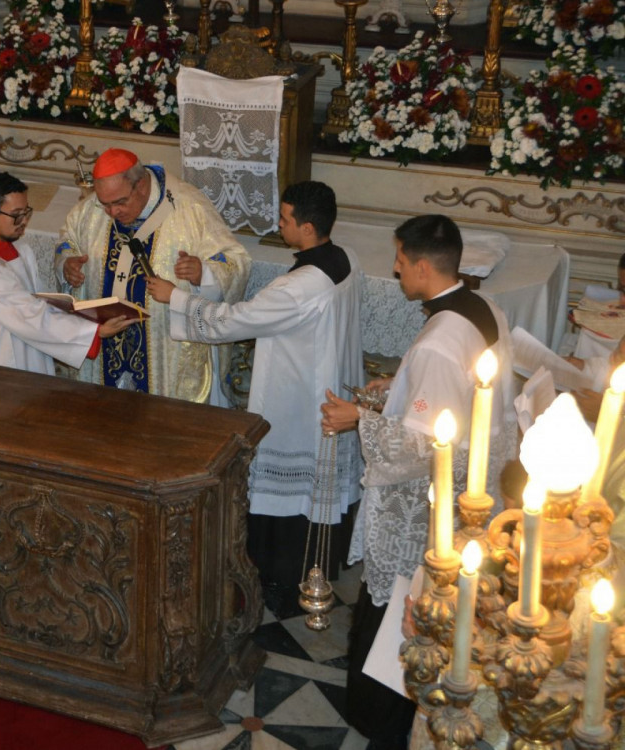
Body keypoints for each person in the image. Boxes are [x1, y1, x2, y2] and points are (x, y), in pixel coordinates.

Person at [320, 214, 516, 750]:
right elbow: (454, 396)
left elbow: (418, 448)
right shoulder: (484, 309)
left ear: (425, 267)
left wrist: (358, 419)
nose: (396, 269)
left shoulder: (436, 341)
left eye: (402, 262)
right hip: (478, 487)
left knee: (402, 605)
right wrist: (398, 388)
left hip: (429, 504)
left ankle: (382, 715)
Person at [146, 181, 363, 615]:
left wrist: (177, 299)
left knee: (289, 495)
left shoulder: (301, 285)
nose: (278, 225)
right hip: (327, 384)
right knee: (316, 490)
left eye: (284, 219)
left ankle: (283, 577)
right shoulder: (347, 259)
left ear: (305, 227)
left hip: (297, 399)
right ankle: (319, 563)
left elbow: (236, 321)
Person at [56, 148, 251, 401]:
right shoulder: (91, 209)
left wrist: (204, 273)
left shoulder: (189, 207)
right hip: (103, 348)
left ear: (141, 186)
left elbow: (236, 260)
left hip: (164, 351)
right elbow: (67, 240)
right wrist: (66, 264)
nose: (112, 213)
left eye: (120, 202)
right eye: (105, 204)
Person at [0, 172, 137, 373]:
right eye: (17, 215)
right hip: (2, 365)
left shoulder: (19, 248)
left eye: (27, 212)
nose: (24, 221)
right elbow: (29, 315)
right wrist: (93, 332)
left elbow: (36, 304)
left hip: (29, 351)